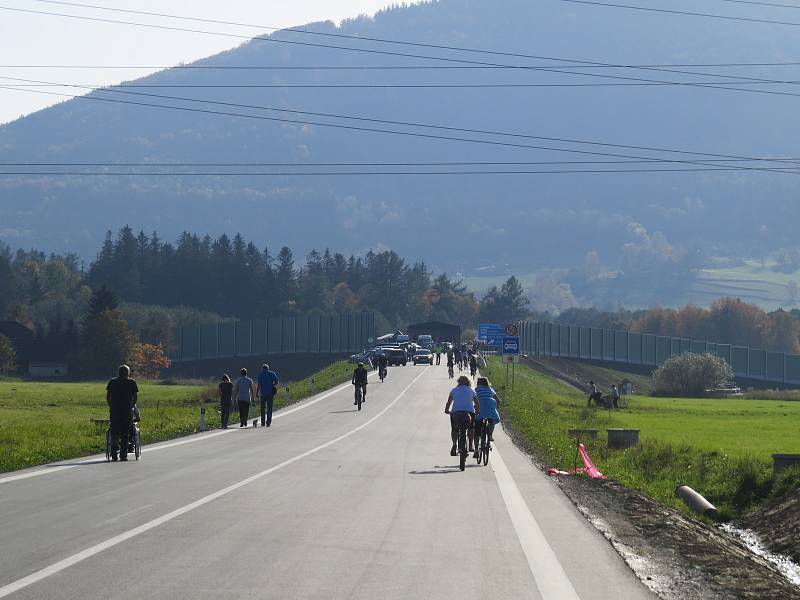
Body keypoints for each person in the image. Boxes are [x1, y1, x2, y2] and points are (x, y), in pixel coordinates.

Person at [106, 364, 138, 461]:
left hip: (115, 411)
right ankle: (123, 455)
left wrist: (111, 406)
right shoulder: (132, 382)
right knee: (125, 433)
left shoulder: (112, 382)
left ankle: (114, 452)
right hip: (126, 411)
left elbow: (108, 396)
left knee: (115, 432)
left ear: (118, 372)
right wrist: (131, 406)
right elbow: (135, 398)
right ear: (128, 373)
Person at [444, 375, 479, 458]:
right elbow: (477, 403)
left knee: (454, 429)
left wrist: (447, 410)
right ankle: (470, 445)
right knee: (471, 428)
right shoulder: (471, 391)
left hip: (456, 413)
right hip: (469, 413)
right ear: (468, 382)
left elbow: (448, 403)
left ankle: (454, 444)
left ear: (458, 382)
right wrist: (477, 412)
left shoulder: (454, 390)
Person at [473, 377, 500, 459]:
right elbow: (498, 400)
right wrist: (495, 408)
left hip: (480, 409)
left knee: (477, 431)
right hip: (490, 408)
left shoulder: (476, 390)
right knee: (491, 420)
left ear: (479, 383)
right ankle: (490, 435)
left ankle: (476, 450)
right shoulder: (490, 389)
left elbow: (473, 399)